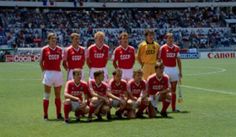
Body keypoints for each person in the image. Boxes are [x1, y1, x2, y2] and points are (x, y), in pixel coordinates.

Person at [39, 33, 63, 120]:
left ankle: (59, 114)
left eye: (55, 38)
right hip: (48, 73)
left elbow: (62, 61)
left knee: (58, 95)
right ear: (48, 40)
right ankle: (45, 115)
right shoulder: (44, 49)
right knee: (47, 95)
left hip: (58, 73)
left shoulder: (60, 49)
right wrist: (44, 72)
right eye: (52, 38)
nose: (54, 40)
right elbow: (41, 62)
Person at [159, 32, 182, 112]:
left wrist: (180, 71)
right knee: (165, 88)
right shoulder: (163, 48)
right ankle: (163, 108)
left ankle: (173, 108)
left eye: (172, 38)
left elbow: (178, 60)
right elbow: (159, 60)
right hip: (165, 69)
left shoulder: (176, 48)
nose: (170, 39)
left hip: (173, 69)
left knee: (173, 89)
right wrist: (160, 71)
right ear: (166, 39)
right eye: (169, 38)